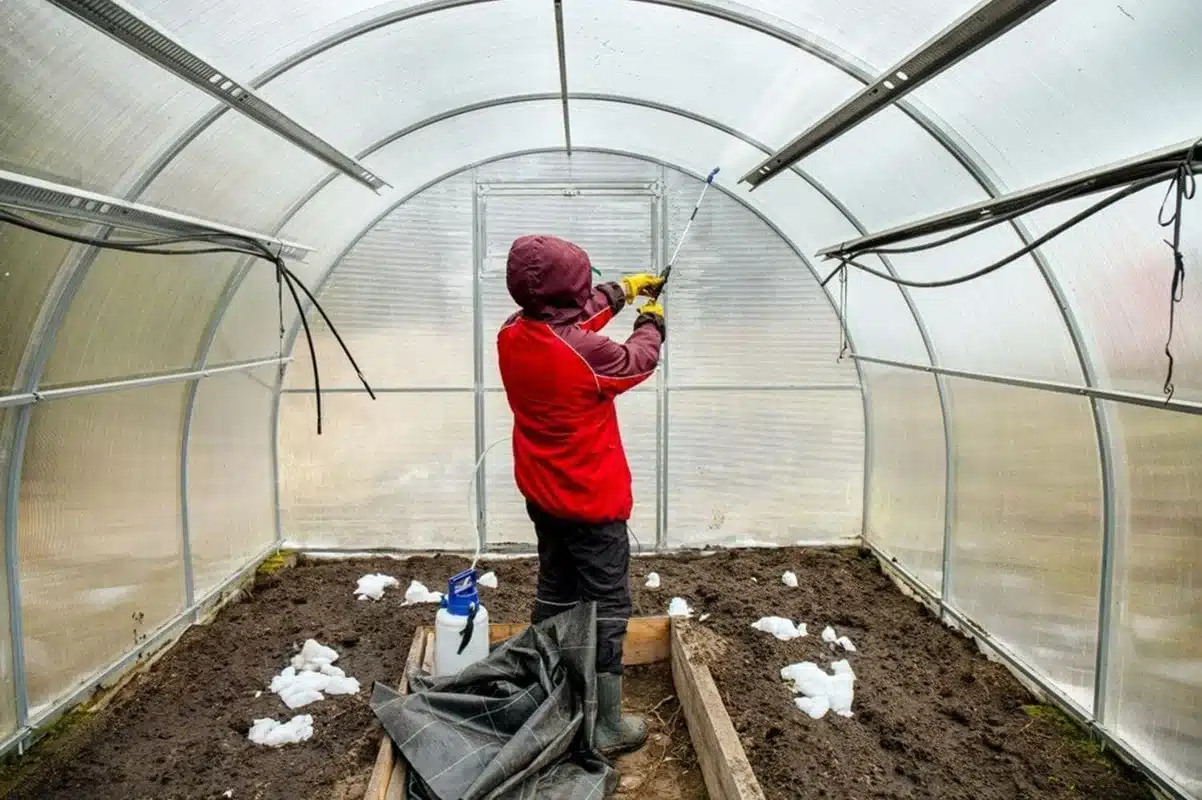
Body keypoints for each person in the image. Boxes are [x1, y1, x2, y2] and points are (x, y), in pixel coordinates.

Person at [496, 233, 665, 756]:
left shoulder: (511, 331)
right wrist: (652, 322)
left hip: (543, 493)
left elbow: (574, 320)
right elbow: (636, 360)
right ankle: (607, 725)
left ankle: (547, 688)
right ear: (572, 289)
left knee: (556, 583)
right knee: (608, 604)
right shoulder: (584, 353)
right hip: (591, 502)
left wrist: (624, 289)